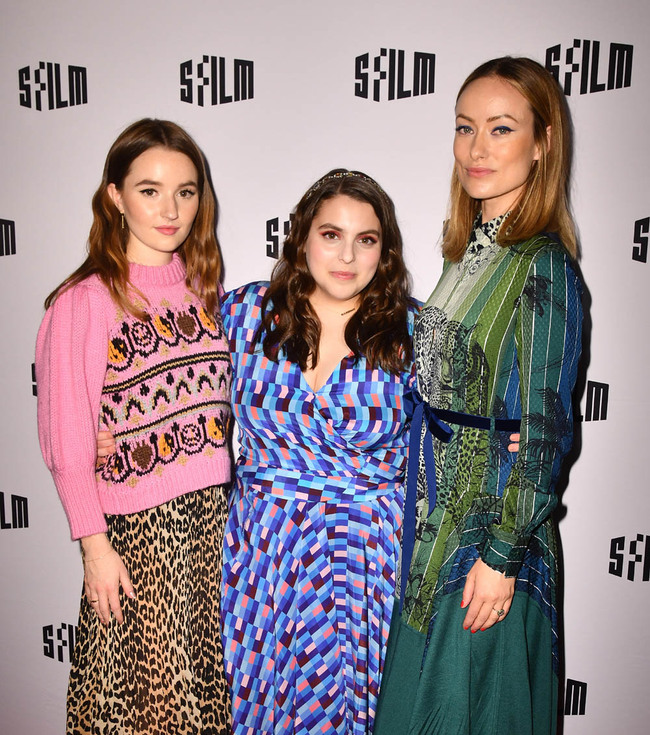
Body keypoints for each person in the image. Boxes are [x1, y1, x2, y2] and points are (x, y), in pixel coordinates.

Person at [374, 57, 583, 735]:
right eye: (466, 128)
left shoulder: (542, 263)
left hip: (487, 547)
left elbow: (547, 429)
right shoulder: (465, 253)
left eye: (500, 128)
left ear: (543, 141)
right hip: (433, 531)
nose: (477, 148)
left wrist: (501, 556)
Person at [36, 119, 232, 734]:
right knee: (149, 712)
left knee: (208, 708)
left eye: (186, 190)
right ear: (116, 196)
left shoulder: (208, 292)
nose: (171, 209)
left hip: (217, 532)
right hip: (140, 539)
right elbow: (66, 441)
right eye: (149, 190)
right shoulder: (86, 300)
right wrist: (95, 549)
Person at [220, 169, 417, 734]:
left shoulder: (412, 331)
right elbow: (175, 381)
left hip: (367, 554)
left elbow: (472, 431)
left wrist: (516, 435)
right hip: (267, 555)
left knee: (360, 706)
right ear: (302, 237)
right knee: (265, 706)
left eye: (367, 239)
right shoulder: (243, 315)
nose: (348, 256)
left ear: (385, 249)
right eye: (331, 234)